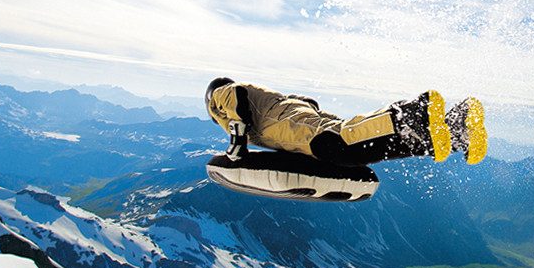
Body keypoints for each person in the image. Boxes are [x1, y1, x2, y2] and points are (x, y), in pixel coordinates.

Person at [205, 78, 486, 167]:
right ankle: (451, 130)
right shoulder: (264, 100)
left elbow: (236, 95)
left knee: (336, 143)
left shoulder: (219, 96)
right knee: (354, 149)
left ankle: (415, 110)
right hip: (291, 122)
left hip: (288, 123)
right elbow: (307, 101)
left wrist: (237, 146)